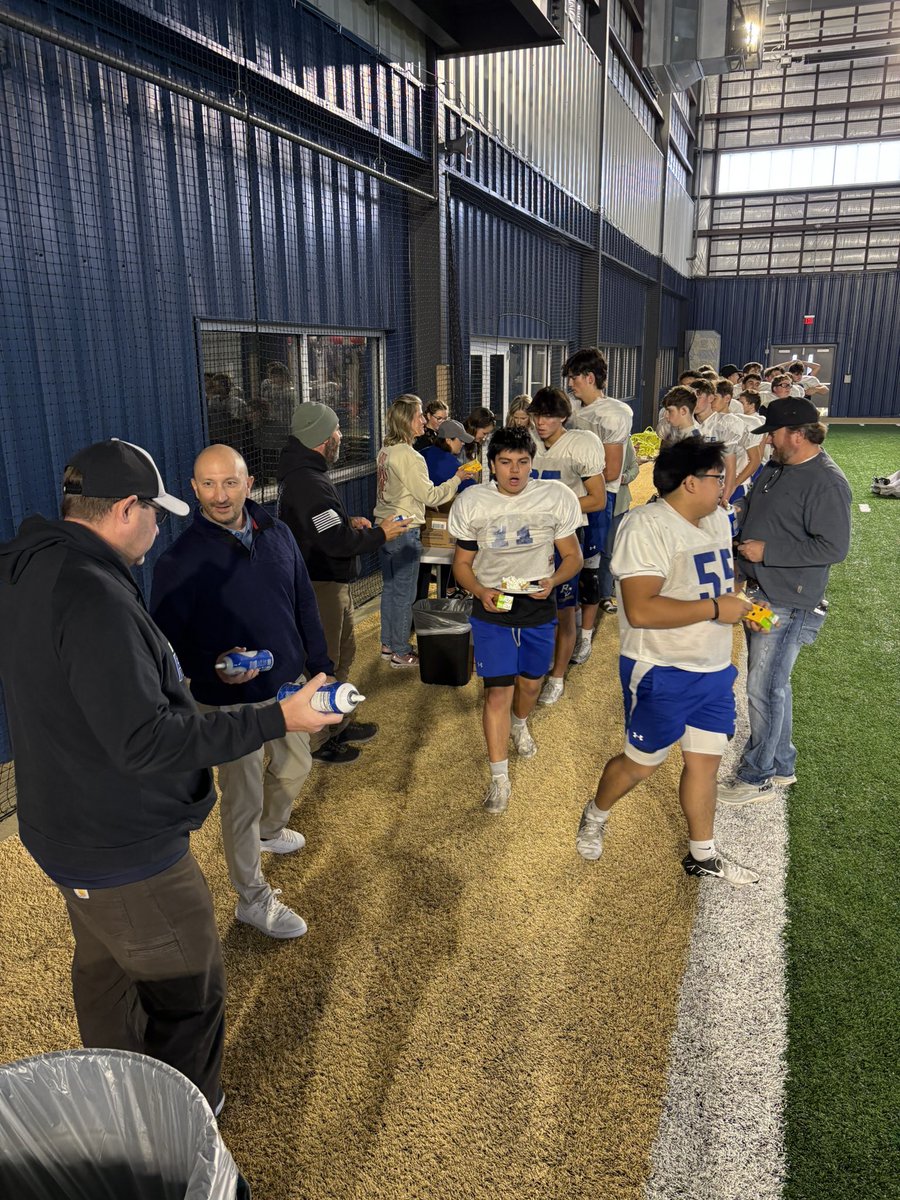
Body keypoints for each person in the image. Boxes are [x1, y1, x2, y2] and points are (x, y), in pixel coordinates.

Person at [0, 438, 338, 1110]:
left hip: (64, 827)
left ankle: (118, 1094)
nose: (162, 524)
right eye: (156, 511)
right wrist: (278, 717)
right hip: (123, 844)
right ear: (126, 509)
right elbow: (147, 739)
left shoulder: (32, 563)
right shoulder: (92, 593)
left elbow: (95, 696)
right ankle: (181, 1123)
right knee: (189, 991)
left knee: (104, 973)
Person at [152, 444, 335, 941]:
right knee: (242, 798)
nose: (219, 495)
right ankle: (251, 899)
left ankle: (270, 833)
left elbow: (303, 605)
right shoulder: (178, 561)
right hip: (227, 702)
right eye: (207, 484)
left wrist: (321, 668)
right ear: (192, 489)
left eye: (229, 482)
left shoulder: (278, 535)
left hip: (287, 689)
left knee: (297, 767)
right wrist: (211, 666)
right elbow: (164, 649)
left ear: (248, 484)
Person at [575, 439, 759, 886]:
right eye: (719, 476)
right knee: (641, 763)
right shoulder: (645, 526)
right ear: (691, 482)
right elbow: (642, 610)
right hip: (662, 668)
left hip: (713, 668)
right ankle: (595, 813)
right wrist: (718, 609)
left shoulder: (716, 518)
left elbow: (711, 578)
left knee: (705, 763)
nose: (726, 484)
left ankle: (703, 853)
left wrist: (741, 604)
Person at [717, 398, 851, 806]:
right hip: (763, 591)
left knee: (763, 688)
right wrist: (735, 512)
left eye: (773, 433)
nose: (768, 441)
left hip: (788, 599)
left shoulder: (826, 481)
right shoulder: (777, 466)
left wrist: (767, 552)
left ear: (797, 433)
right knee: (772, 684)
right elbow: (759, 509)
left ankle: (757, 777)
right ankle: (781, 763)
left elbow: (834, 547)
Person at [448, 427, 583, 813]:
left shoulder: (555, 497)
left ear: (531, 464)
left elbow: (571, 556)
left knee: (530, 684)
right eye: (506, 462)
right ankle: (498, 778)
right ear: (492, 465)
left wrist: (553, 581)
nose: (515, 471)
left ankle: (520, 723)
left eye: (523, 462)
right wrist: (480, 592)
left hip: (537, 602)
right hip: (493, 604)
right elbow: (461, 564)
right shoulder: (473, 502)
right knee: (497, 692)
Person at [276, 403, 412, 764]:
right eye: (336, 431)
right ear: (322, 439)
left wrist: (346, 522)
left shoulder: (309, 473)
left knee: (345, 651)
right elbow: (333, 542)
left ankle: (338, 721)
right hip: (319, 584)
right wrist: (384, 533)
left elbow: (323, 528)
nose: (340, 436)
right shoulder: (307, 482)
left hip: (329, 580)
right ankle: (319, 741)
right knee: (324, 662)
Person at [375, 394, 468, 668]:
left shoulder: (385, 451)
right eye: (418, 416)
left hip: (385, 529)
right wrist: (457, 478)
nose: (423, 420)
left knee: (391, 590)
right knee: (404, 594)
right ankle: (401, 652)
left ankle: (387, 644)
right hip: (404, 532)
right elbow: (431, 496)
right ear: (406, 421)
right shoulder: (410, 456)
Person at [529, 386, 606, 699]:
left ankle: (557, 677)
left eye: (549, 415)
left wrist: (556, 508)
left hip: (564, 539)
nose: (541, 422)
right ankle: (534, 664)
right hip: (530, 539)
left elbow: (597, 499)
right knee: (528, 602)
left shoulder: (581, 444)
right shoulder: (528, 442)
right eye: (537, 414)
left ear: (563, 416)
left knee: (563, 608)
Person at [566, 346, 632, 639]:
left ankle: (584, 634)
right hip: (571, 498)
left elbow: (612, 471)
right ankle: (570, 623)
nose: (570, 383)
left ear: (589, 377)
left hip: (597, 499)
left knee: (590, 566)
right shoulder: (573, 409)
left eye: (574, 377)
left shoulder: (613, 413)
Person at [255, 361, 297, 481]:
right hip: (271, 427)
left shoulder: (289, 391)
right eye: (272, 376)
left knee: (284, 452)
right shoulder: (268, 388)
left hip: (285, 426)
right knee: (272, 454)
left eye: (276, 376)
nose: (273, 379)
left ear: (284, 377)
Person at [421, 419, 477, 486]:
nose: (463, 443)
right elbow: (472, 488)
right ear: (448, 440)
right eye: (461, 440)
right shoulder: (450, 462)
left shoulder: (423, 452)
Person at [463, 407, 497, 473]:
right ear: (474, 427)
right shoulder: (459, 444)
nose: (485, 438)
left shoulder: (474, 443)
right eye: (484, 433)